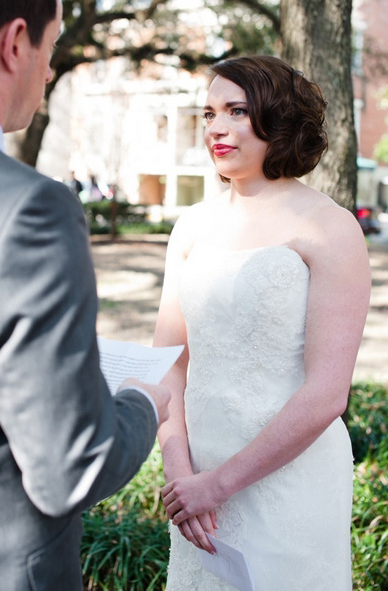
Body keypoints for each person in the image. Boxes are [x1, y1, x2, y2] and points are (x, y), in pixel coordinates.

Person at [0, 0, 170, 591]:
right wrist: (143, 401)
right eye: (53, 47)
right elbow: (70, 467)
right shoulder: (27, 208)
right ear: (14, 42)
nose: (51, 69)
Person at [154, 55, 371, 591]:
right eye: (208, 114)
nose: (217, 129)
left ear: (280, 118)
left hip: (288, 478)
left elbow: (326, 394)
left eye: (237, 111)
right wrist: (181, 474)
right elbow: (168, 367)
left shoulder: (331, 228)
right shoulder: (191, 227)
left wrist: (220, 484)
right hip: (196, 479)